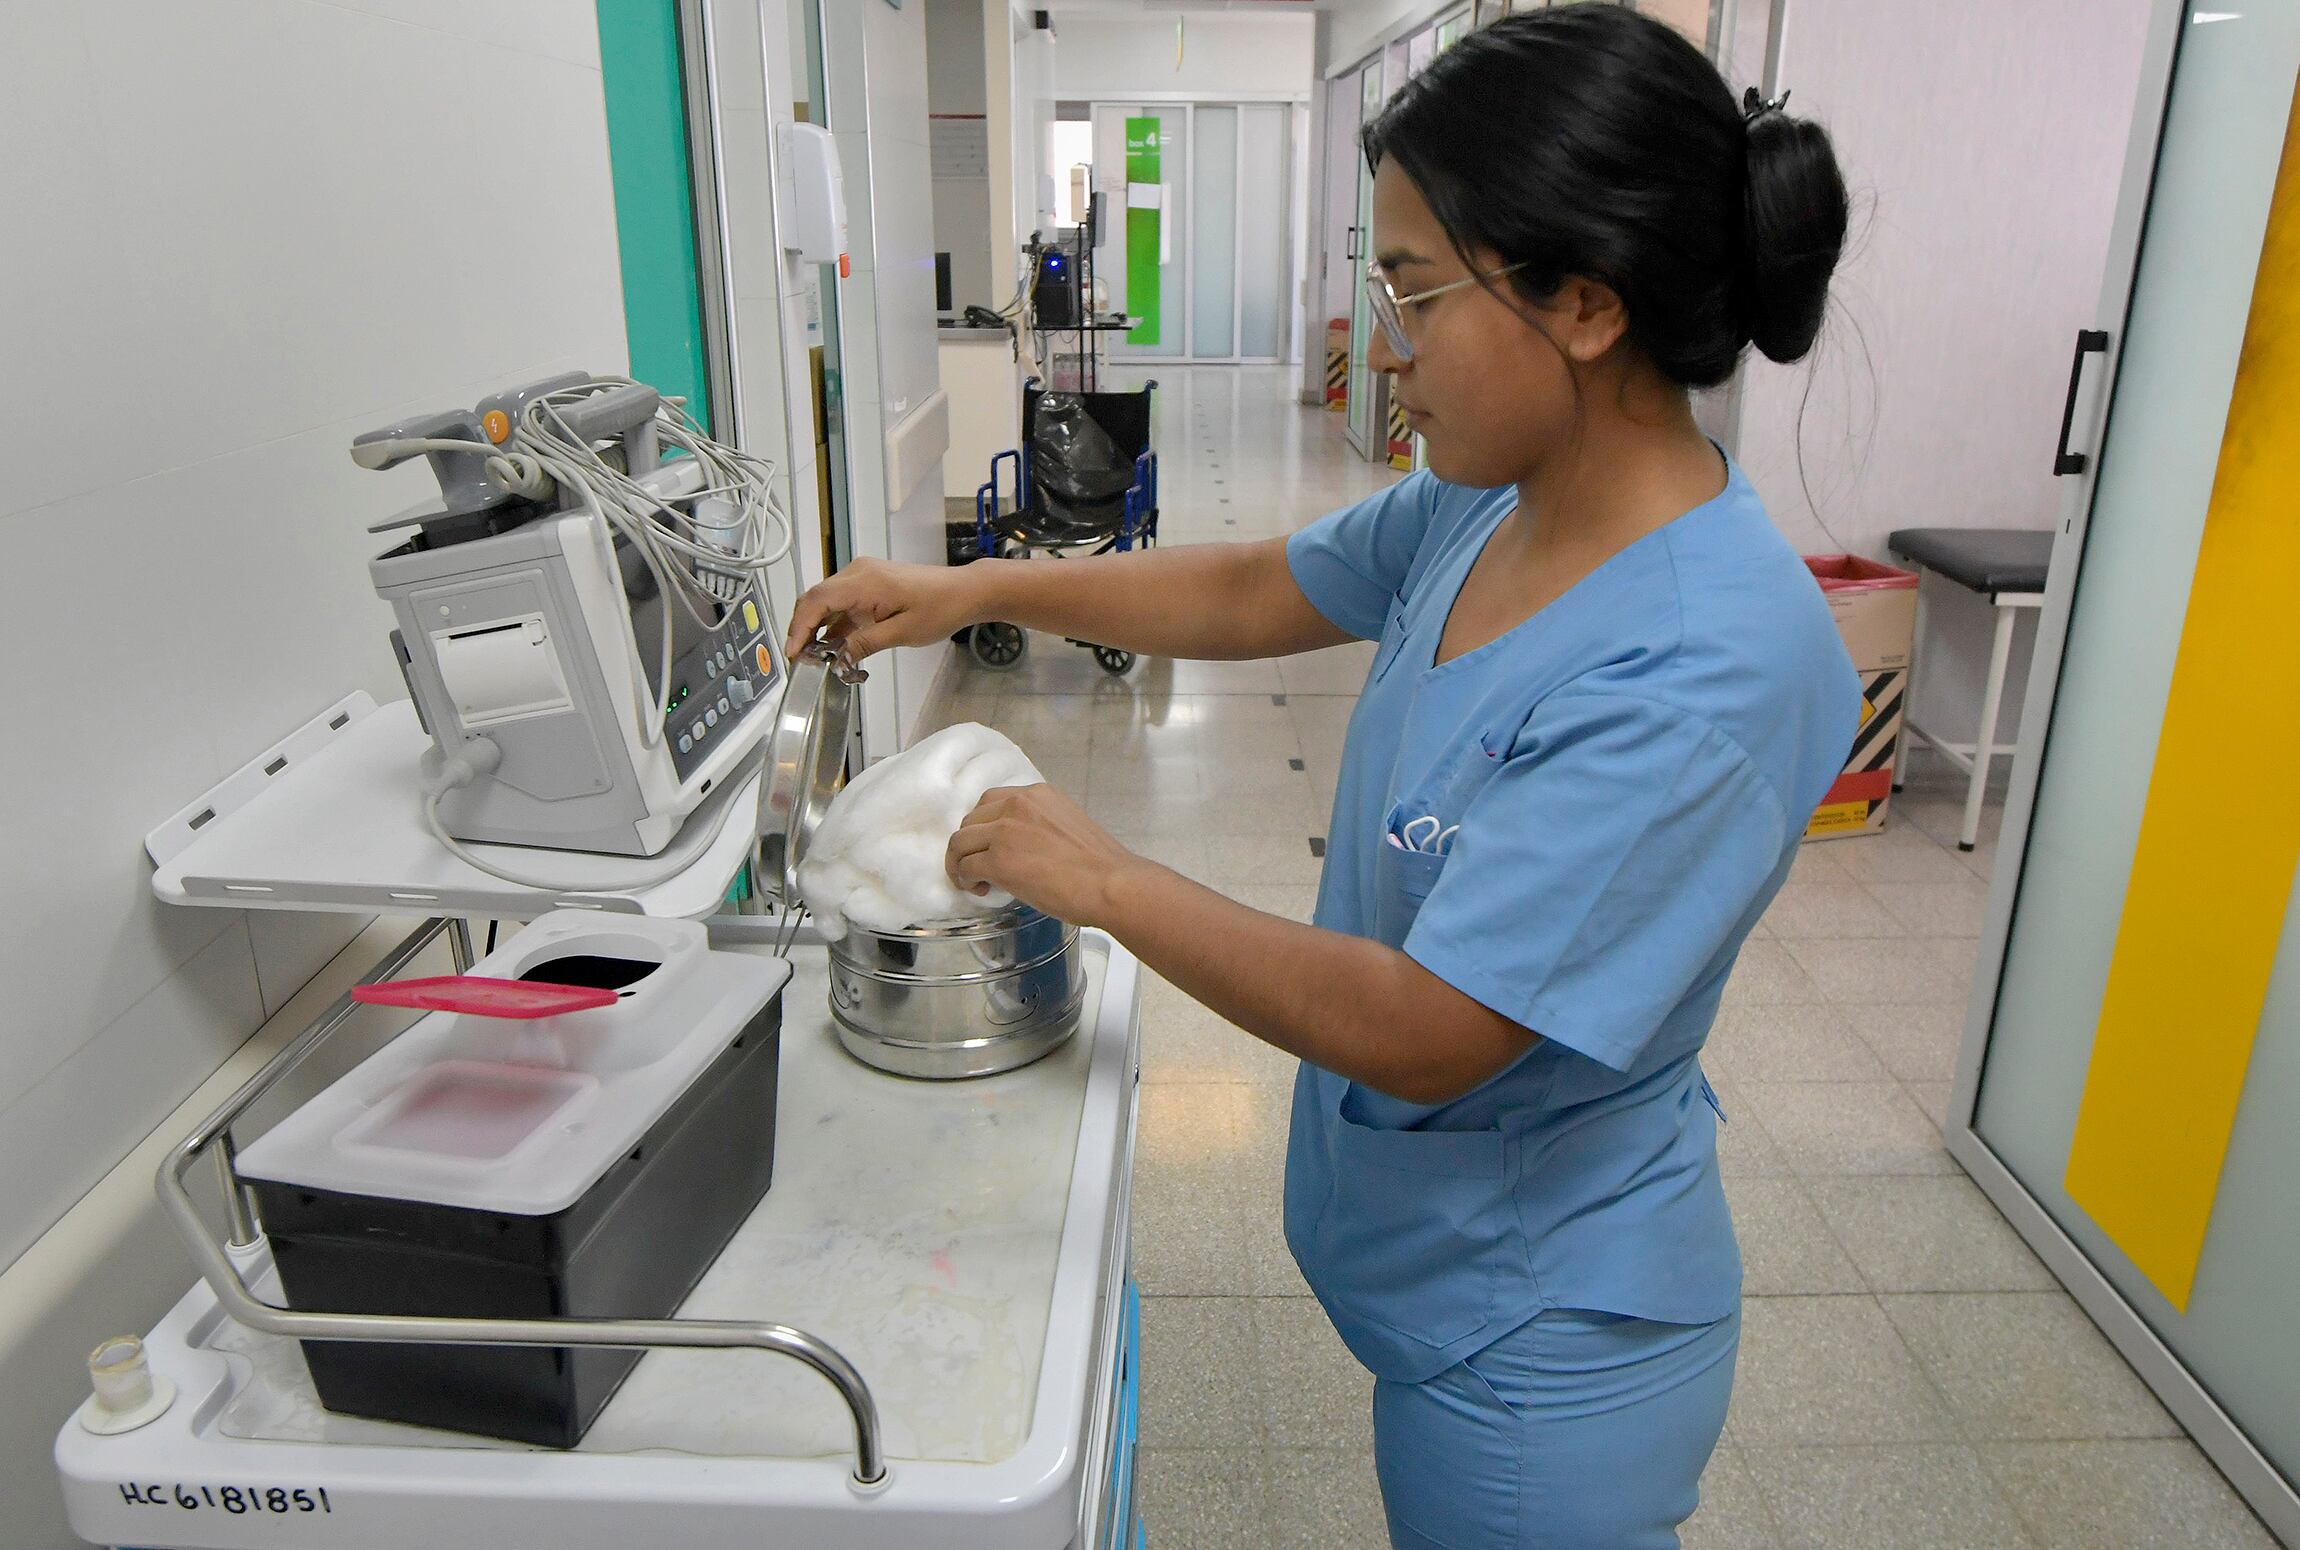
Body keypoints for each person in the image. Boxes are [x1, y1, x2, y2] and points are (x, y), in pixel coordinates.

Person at [786, 6, 1855, 1543]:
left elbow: (1433, 1029)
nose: (1386, 341)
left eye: (1416, 289)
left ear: (1587, 305)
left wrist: (1102, 879)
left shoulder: (1706, 668)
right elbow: (1245, 590)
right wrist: (972, 588)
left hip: (1539, 1357)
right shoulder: (1499, 500)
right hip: (1437, 1276)